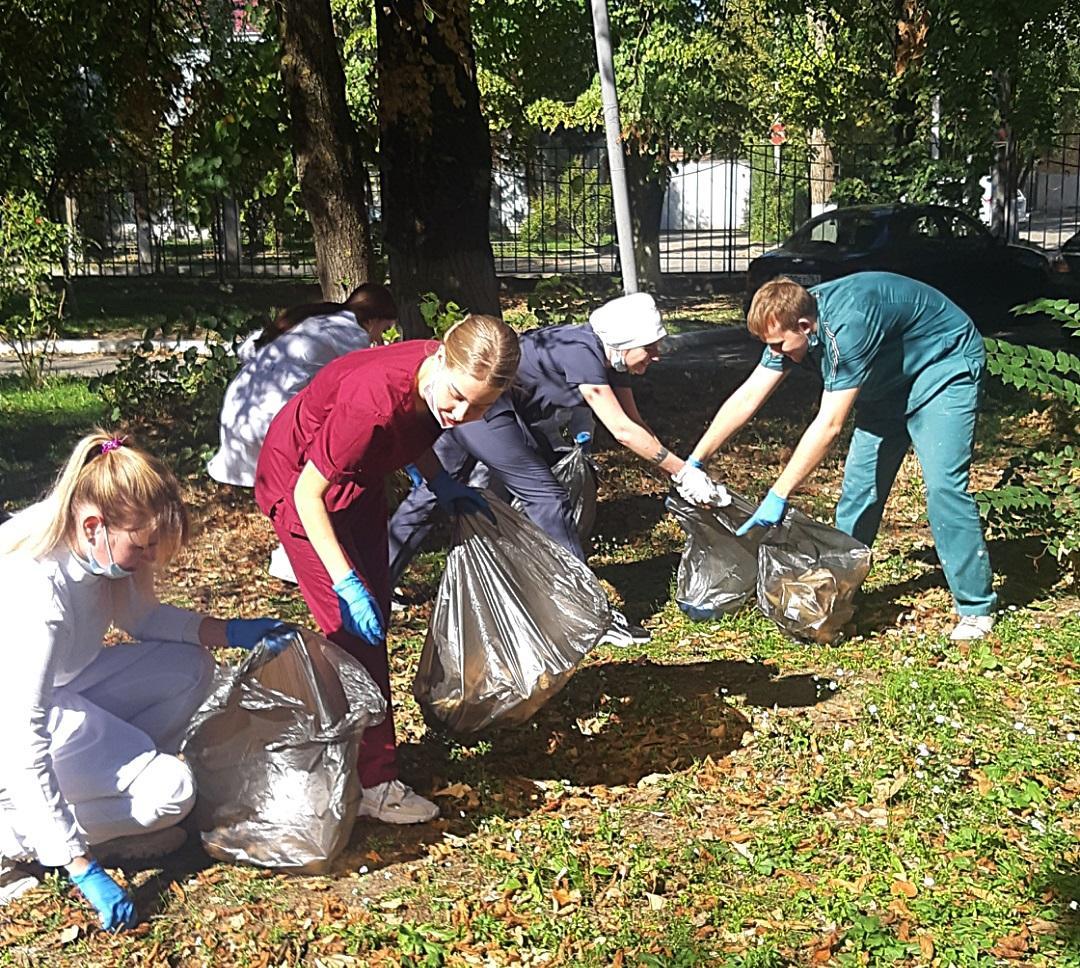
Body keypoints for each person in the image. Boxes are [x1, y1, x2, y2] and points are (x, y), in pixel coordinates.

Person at [0, 432, 285, 930]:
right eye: (144, 545)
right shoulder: (38, 588)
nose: (150, 558)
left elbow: (143, 618)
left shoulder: (96, 543)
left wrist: (230, 632)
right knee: (171, 792)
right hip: (14, 726)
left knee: (191, 668)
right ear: (94, 526)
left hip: (63, 688)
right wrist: (78, 866)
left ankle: (107, 795)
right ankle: (17, 836)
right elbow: (23, 737)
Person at [254, 316, 520, 825]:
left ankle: (361, 755)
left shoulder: (437, 378)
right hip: (301, 487)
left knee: (374, 627)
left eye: (480, 406)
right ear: (441, 356)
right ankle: (373, 782)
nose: (461, 414)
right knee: (354, 634)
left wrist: (440, 482)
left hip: (357, 478)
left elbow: (415, 423)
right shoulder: (370, 401)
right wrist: (345, 581)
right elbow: (307, 496)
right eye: (459, 396)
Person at [387, 292, 727, 644]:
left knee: (432, 493)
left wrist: (679, 473)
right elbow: (622, 432)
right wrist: (683, 472)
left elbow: (634, 423)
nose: (656, 356)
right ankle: (585, 611)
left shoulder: (614, 361)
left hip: (487, 411)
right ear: (625, 343)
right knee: (547, 499)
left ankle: (377, 582)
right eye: (650, 347)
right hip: (478, 408)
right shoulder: (583, 353)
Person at [676, 272, 997, 641]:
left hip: (943, 368)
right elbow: (749, 396)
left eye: (780, 345)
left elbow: (829, 425)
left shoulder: (848, 327)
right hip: (886, 380)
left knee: (943, 489)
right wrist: (695, 461)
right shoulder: (792, 321)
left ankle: (976, 608)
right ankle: (836, 597)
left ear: (804, 326)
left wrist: (778, 494)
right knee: (859, 493)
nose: (777, 353)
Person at [208, 284, 397, 581]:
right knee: (322, 477)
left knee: (294, 484)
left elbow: (247, 349)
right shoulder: (351, 335)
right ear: (373, 320)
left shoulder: (314, 319)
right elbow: (361, 389)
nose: (379, 338)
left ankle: (296, 553)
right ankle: (300, 557)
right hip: (268, 415)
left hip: (241, 403)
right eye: (383, 329)